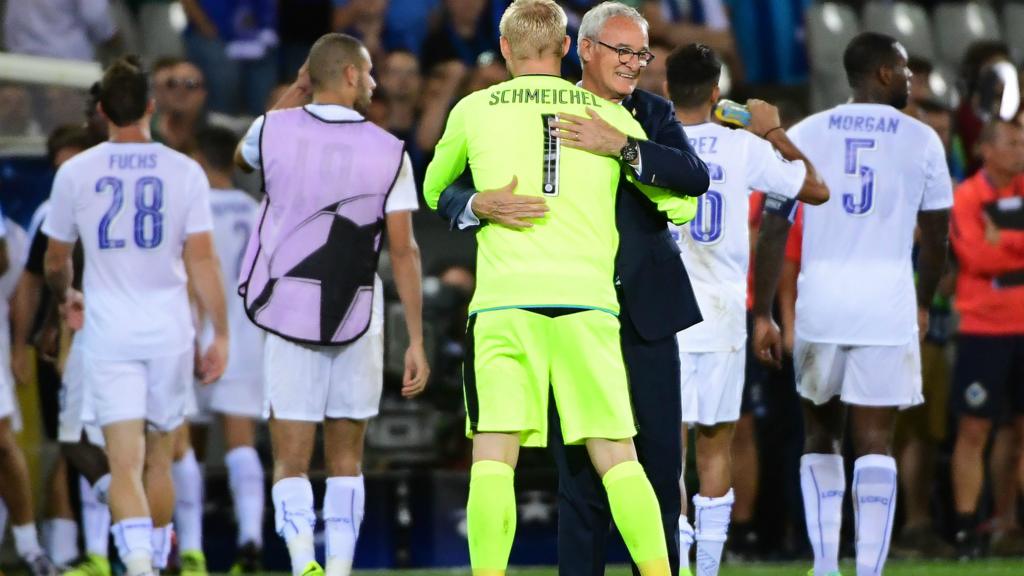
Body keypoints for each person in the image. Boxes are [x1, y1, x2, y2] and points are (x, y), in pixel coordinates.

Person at [423, 1, 701, 574]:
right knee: (618, 457)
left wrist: (477, 202)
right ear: (572, 48)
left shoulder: (473, 108)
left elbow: (433, 187)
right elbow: (681, 200)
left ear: (503, 48)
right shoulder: (608, 116)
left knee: (494, 458)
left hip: (503, 303)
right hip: (590, 306)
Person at [751, 32, 953, 576]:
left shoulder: (807, 131)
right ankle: (867, 570)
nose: (911, 80)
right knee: (876, 439)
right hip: (885, 303)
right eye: (906, 70)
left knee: (820, 433)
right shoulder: (922, 139)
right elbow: (938, 240)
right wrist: (924, 301)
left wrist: (763, 312)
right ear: (884, 73)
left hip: (821, 303)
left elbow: (773, 227)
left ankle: (823, 564)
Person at [233, 33, 429, 576]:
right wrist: (414, 338)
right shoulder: (389, 150)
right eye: (367, 73)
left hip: (286, 308)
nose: (372, 83)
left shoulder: (272, 128)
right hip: (356, 311)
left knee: (290, 459)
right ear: (347, 75)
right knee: (347, 459)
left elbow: (241, 159)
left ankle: (303, 564)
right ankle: (338, 568)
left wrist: (295, 91)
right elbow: (404, 249)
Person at [42, 56, 229, 576]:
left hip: (108, 332)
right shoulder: (184, 170)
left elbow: (55, 260)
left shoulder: (76, 171)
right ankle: (158, 557)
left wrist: (68, 294)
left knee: (120, 463)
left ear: (101, 110)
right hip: (168, 330)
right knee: (159, 457)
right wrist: (222, 332)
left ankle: (140, 565)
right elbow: (203, 261)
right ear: (151, 105)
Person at [667, 43, 827, 576]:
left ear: (667, 89)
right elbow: (816, 189)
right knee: (717, 446)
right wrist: (773, 130)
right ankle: (708, 570)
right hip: (722, 315)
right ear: (717, 94)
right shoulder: (742, 146)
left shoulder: (648, 141)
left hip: (660, 318)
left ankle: (675, 567)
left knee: (670, 455)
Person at [188, 125, 267, 573]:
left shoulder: (193, 212)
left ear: (199, 160)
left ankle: (191, 548)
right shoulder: (253, 209)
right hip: (246, 339)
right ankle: (251, 540)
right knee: (241, 444)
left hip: (199, 336)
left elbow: (193, 274)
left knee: (186, 448)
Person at [949, 120, 1024, 557]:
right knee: (973, 429)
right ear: (986, 151)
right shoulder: (968, 196)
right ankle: (964, 529)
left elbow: (993, 253)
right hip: (983, 330)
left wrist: (1006, 241)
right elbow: (975, 255)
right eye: (1013, 143)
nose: (1020, 150)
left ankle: (1009, 522)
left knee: (1018, 434)